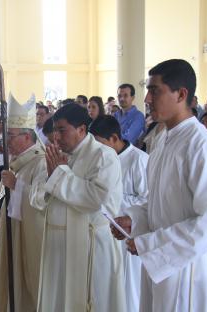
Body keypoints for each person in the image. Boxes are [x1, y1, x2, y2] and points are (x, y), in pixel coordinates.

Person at [112, 59, 207, 312]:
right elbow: (161, 201)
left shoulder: (202, 145)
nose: (147, 98)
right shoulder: (162, 141)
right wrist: (134, 220)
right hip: (161, 266)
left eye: (155, 90)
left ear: (181, 94)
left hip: (190, 268)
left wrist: (152, 245)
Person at [38, 104, 125, 312]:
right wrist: (53, 179)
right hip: (60, 246)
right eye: (55, 130)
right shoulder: (57, 153)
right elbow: (39, 192)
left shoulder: (103, 156)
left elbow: (97, 199)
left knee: (92, 300)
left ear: (82, 129)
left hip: (91, 246)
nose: (56, 137)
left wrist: (59, 175)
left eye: (62, 130)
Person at [0, 93, 47, 312]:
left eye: (11, 135)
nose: (7, 141)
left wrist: (17, 186)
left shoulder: (40, 165)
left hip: (25, 242)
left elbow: (43, 203)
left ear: (27, 137)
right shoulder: (16, 163)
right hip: (6, 235)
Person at [89, 115, 148, 312]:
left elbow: (148, 200)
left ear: (114, 138)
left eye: (100, 143)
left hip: (128, 233)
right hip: (105, 231)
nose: (95, 150)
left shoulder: (139, 160)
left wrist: (114, 199)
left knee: (129, 288)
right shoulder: (99, 160)